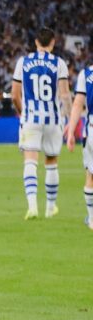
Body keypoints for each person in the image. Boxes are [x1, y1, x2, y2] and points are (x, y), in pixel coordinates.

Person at [11, 27, 70, 220]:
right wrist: (68, 118)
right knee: (51, 161)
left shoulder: (23, 62)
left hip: (30, 118)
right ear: (52, 42)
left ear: (36, 42)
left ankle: (32, 206)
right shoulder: (59, 63)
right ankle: (50, 208)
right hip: (53, 119)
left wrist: (23, 113)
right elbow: (64, 94)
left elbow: (14, 95)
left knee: (30, 160)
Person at [65, 60, 93, 230]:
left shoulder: (86, 74)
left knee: (90, 175)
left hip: (91, 131)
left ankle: (91, 218)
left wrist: (70, 132)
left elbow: (78, 104)